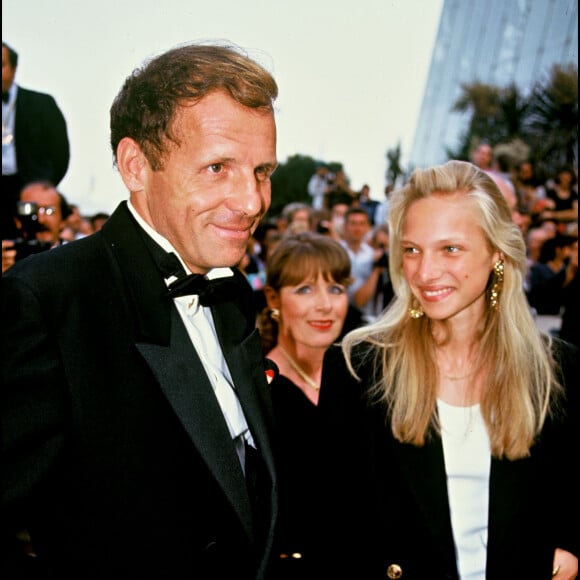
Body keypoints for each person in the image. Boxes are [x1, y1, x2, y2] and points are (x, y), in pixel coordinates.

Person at [1, 42, 280, 580]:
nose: (251, 201)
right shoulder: (46, 303)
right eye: (218, 167)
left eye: (262, 170)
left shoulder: (233, 292)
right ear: (136, 165)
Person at [341, 160, 578, 579]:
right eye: (412, 249)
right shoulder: (360, 368)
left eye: (450, 248)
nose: (425, 272)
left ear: (496, 254)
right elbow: (335, 530)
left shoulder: (556, 370)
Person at [257, 232, 371, 579]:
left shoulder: (363, 375)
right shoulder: (257, 388)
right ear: (273, 298)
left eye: (336, 289)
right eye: (305, 289)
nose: (324, 305)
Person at [2, 42, 70, 239]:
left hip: (29, 189)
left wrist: (42, 186)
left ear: (14, 70)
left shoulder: (41, 104)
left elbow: (60, 154)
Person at [1, 180, 72, 273]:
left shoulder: (75, 257)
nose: (40, 219)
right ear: (17, 221)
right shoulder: (8, 256)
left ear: (63, 220)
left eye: (48, 211)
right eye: (30, 211)